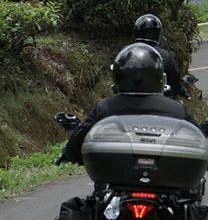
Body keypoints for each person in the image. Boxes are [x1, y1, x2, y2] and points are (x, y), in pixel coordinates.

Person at [61, 43, 198, 165]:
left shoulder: (104, 108)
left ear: (118, 77)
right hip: (164, 175)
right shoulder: (176, 109)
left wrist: (70, 154)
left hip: (118, 174)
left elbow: (80, 136)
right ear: (159, 78)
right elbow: (197, 136)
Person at [134, 14, 184, 98]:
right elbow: (175, 83)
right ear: (157, 33)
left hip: (128, 99)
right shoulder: (165, 56)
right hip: (156, 100)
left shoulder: (126, 53)